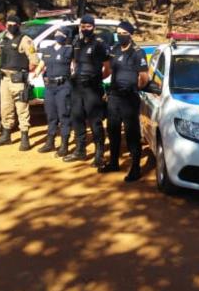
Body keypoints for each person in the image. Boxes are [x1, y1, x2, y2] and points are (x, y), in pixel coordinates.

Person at [99, 21, 149, 182]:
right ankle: (113, 162)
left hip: (129, 98)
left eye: (123, 33)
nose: (119, 35)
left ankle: (135, 168)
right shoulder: (114, 50)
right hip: (114, 97)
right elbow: (109, 70)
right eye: (118, 33)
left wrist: (135, 88)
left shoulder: (137, 52)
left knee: (132, 134)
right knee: (112, 130)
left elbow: (144, 78)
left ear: (130, 34)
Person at [63, 14, 111, 164]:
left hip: (92, 88)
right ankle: (80, 151)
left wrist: (96, 79)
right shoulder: (77, 41)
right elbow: (75, 62)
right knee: (76, 118)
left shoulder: (99, 43)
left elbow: (108, 68)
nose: (85, 29)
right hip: (77, 87)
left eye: (88, 26)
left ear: (94, 27)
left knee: (95, 121)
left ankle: (99, 154)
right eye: (83, 26)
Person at [0, 15, 39, 150]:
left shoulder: (25, 40)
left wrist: (23, 72)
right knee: (6, 108)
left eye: (13, 24)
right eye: (8, 24)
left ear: (18, 25)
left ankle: (25, 138)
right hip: (4, 79)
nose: (10, 26)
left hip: (17, 79)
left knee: (22, 108)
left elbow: (34, 60)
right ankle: (6, 136)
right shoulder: (3, 39)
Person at [31, 28, 73, 157]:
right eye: (57, 33)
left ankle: (64, 145)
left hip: (63, 86)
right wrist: (37, 72)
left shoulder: (69, 50)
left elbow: (75, 66)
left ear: (66, 37)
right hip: (49, 87)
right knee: (50, 115)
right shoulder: (48, 49)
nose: (58, 35)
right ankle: (50, 142)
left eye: (62, 34)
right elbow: (42, 63)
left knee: (64, 116)